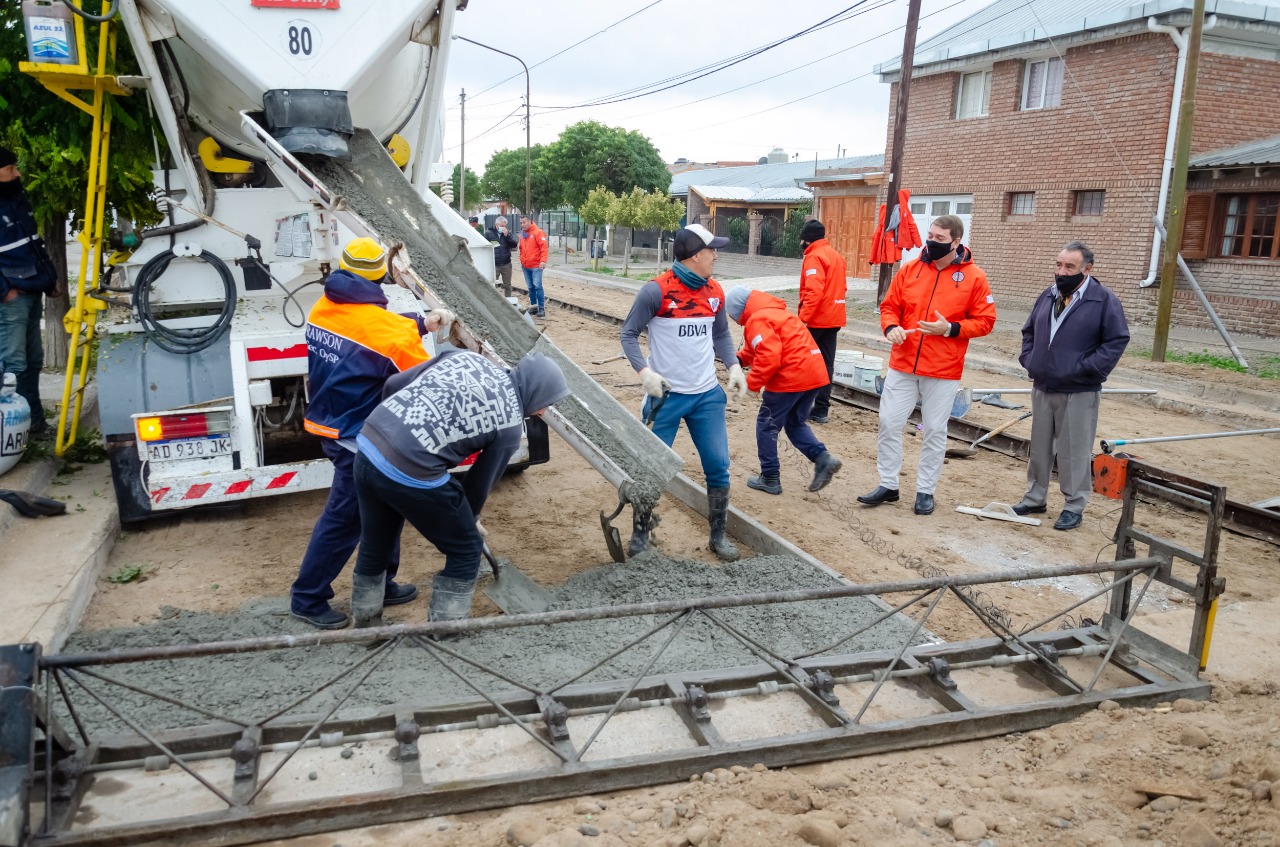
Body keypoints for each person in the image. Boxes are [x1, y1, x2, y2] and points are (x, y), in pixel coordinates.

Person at [290, 237, 453, 629]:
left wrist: (419, 322)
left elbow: (367, 330)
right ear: (381, 274)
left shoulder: (324, 306)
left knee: (388, 503)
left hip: (330, 420)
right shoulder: (389, 335)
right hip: (356, 436)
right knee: (346, 518)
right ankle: (308, 597)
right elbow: (431, 380)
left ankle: (382, 581)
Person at [348, 349, 570, 627]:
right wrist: (469, 521)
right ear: (535, 392)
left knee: (376, 539)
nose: (542, 411)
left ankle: (366, 624)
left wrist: (394, 432)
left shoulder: (467, 359)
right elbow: (478, 486)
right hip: (410, 469)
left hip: (369, 444)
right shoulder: (509, 424)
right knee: (466, 549)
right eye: (545, 403)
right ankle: (447, 631)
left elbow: (393, 385)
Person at [619, 224, 747, 561]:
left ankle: (717, 536)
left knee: (718, 466)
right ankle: (641, 536)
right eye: (711, 250)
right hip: (666, 397)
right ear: (693, 255)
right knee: (651, 468)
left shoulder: (715, 292)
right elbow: (628, 334)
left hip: (706, 396)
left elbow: (720, 335)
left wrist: (733, 366)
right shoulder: (656, 292)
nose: (716, 255)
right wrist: (645, 373)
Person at [858, 215, 996, 516]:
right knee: (889, 423)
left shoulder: (974, 277)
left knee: (934, 430)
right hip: (903, 362)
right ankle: (888, 484)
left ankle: (925, 491)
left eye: (940, 238)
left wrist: (951, 329)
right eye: (930, 235)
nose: (931, 242)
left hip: (943, 368)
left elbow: (986, 321)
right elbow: (889, 306)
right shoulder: (910, 270)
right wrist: (890, 327)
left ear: (956, 242)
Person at [1013, 241, 1129, 531]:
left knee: (1073, 449)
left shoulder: (1103, 301)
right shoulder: (1048, 296)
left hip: (1079, 390)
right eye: (1058, 265)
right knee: (1039, 448)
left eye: (1069, 267)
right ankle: (1035, 497)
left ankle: (1074, 505)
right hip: (1043, 385)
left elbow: (1116, 341)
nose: (1061, 271)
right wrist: (1030, 360)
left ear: (1086, 269)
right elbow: (1029, 331)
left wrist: (1085, 369)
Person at [724, 286, 842, 496]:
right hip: (814, 373)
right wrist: (735, 361)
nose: (732, 320)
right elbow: (757, 349)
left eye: (731, 315)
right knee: (795, 422)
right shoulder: (776, 312)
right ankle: (823, 459)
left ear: (737, 312)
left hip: (791, 377)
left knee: (766, 426)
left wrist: (752, 384)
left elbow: (769, 356)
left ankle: (770, 477)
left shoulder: (756, 320)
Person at [0, 146, 60, 439]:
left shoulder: (17, 200)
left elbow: (34, 244)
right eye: (10, 168)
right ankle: (13, 431)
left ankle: (33, 425)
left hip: (32, 290)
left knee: (33, 361)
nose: (17, 173)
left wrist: (50, 280)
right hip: (11, 297)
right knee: (13, 366)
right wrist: (5, 292)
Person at [796, 219, 847, 425]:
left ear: (806, 240)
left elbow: (814, 291)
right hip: (834, 317)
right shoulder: (836, 256)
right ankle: (821, 410)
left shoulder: (814, 257)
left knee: (804, 362)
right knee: (826, 363)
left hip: (817, 319)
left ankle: (800, 407)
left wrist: (802, 320)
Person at [519, 215, 548, 318]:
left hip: (536, 265)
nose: (522, 224)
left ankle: (541, 307)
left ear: (530, 222)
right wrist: (522, 260)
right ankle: (533, 306)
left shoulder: (538, 232)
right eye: (521, 223)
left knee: (537, 286)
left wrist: (543, 261)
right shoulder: (523, 234)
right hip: (526, 265)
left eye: (524, 222)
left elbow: (544, 248)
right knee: (530, 287)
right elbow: (521, 249)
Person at [484, 215, 518, 298]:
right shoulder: (489, 233)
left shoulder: (508, 233)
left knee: (507, 284)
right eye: (502, 226)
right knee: (492, 284)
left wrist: (507, 236)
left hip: (506, 263)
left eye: (504, 226)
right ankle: (491, 300)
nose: (503, 228)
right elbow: (484, 246)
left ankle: (508, 300)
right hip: (494, 263)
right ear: (497, 224)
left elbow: (514, 244)